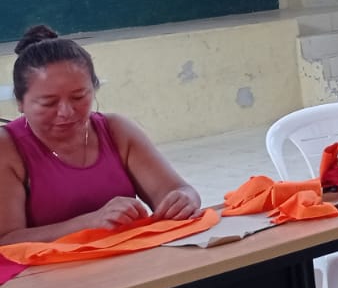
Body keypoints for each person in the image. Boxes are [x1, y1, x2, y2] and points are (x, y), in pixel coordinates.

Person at [0, 26, 201, 245]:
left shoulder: (117, 131)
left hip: (129, 259)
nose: (66, 112)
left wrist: (184, 199)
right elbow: (7, 240)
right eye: (48, 103)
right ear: (20, 102)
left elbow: (177, 190)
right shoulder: (8, 148)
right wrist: (89, 223)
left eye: (79, 97)